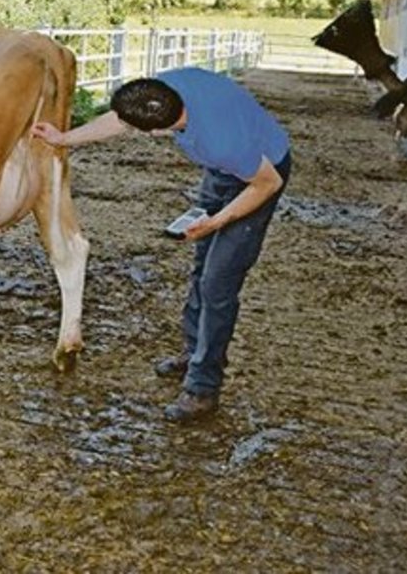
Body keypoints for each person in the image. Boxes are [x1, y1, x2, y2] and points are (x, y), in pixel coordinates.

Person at [32, 67, 291, 423]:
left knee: (219, 283)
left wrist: (215, 222)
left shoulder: (221, 141)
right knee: (202, 266)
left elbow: (266, 183)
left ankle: (203, 388)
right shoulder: (162, 90)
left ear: (156, 131)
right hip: (224, 170)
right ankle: (193, 349)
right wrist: (64, 138)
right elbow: (122, 119)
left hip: (260, 174)